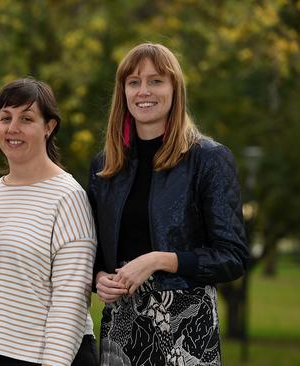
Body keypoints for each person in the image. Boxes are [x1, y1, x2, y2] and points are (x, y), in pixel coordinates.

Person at [88, 43, 250, 365]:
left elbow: (233, 256)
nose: (143, 91)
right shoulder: (105, 167)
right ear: (123, 92)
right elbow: (92, 249)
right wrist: (97, 277)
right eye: (134, 82)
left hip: (186, 330)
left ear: (175, 89)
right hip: (121, 330)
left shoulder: (209, 159)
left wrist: (161, 260)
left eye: (156, 80)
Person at [0, 78, 97, 366]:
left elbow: (71, 297)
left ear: (48, 127)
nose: (13, 128)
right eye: (5, 118)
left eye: (26, 119)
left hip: (44, 358)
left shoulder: (68, 198)